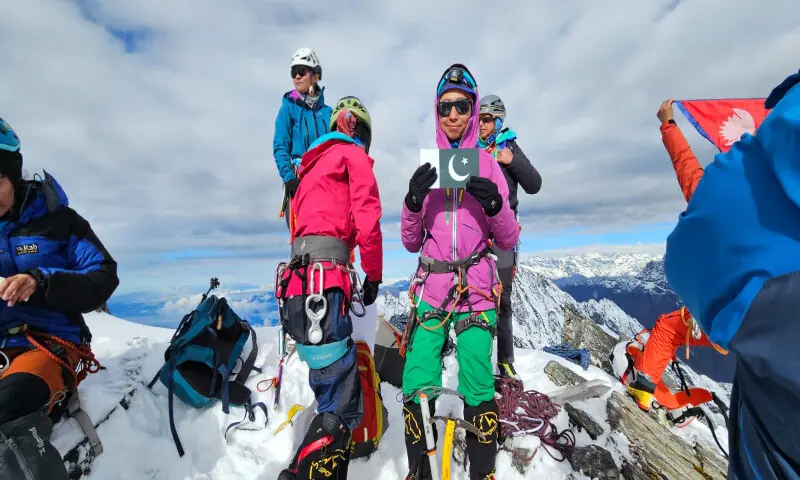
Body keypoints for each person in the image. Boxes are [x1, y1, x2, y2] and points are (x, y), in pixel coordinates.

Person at [664, 69, 800, 478]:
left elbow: (691, 248)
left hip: (775, 432)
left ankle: (645, 384)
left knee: (668, 328)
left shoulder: (746, 196)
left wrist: (669, 126)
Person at [400, 64, 520, 480]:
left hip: (476, 287)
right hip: (434, 285)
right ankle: (422, 471)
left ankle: (481, 471)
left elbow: (507, 237)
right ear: (437, 112)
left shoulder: (487, 166)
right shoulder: (429, 170)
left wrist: (495, 206)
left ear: (472, 110)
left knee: (475, 375)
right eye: (445, 106)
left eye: (462, 106)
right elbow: (411, 241)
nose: (453, 115)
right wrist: (413, 202)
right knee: (417, 376)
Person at [0, 117, 119, 478]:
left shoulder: (59, 222)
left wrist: (41, 281)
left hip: (47, 344)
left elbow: (103, 275)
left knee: (6, 411)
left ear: (13, 175)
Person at [275, 96, 383, 480]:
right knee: (342, 404)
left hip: (297, 293)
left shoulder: (308, 171)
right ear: (359, 132)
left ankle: (306, 469)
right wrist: (372, 275)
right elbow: (368, 220)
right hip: (326, 287)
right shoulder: (351, 157)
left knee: (329, 390)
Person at [477, 94, 541, 380]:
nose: (481, 125)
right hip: (475, 233)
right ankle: (475, 357)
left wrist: (511, 160)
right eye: (479, 119)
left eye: (487, 119)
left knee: (503, 299)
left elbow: (535, 184)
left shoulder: (509, 147)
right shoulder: (470, 150)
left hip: (503, 235)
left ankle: (505, 360)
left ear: (499, 120)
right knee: (471, 297)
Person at [273, 47, 333, 229]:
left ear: (315, 76)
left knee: (331, 233)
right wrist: (289, 178)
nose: (296, 77)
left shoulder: (329, 113)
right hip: (299, 181)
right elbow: (280, 146)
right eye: (293, 72)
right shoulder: (288, 109)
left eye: (301, 72)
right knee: (303, 237)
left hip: (328, 182)